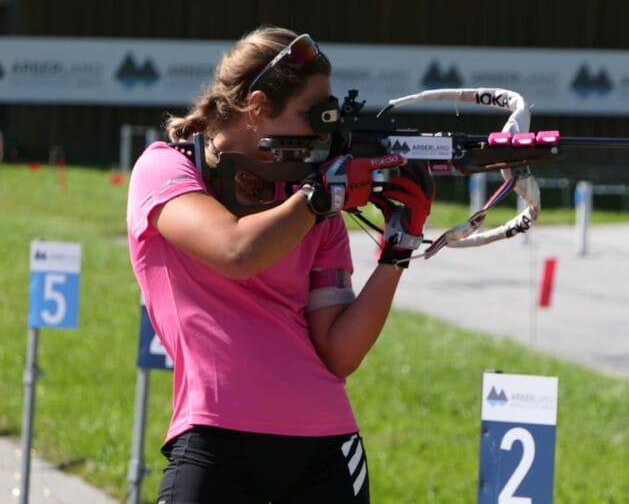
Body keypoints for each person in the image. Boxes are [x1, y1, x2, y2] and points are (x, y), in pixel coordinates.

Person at [126, 26, 434, 503]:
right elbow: (236, 251)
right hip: (212, 436)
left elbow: (339, 353)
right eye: (310, 115)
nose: (322, 132)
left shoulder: (309, 198)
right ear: (257, 108)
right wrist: (321, 197)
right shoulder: (166, 168)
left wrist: (399, 248)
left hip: (325, 447)